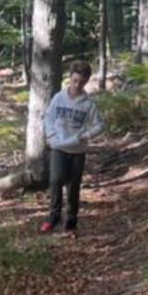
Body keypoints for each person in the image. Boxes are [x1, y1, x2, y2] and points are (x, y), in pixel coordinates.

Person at [41, 62, 104, 234]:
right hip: (58, 147)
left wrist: (84, 136)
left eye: (81, 82)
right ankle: (53, 216)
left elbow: (99, 125)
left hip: (77, 149)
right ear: (70, 78)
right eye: (75, 80)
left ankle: (71, 221)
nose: (77, 85)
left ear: (86, 81)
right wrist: (51, 135)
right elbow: (48, 118)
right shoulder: (59, 98)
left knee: (73, 185)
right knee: (55, 180)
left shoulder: (88, 104)